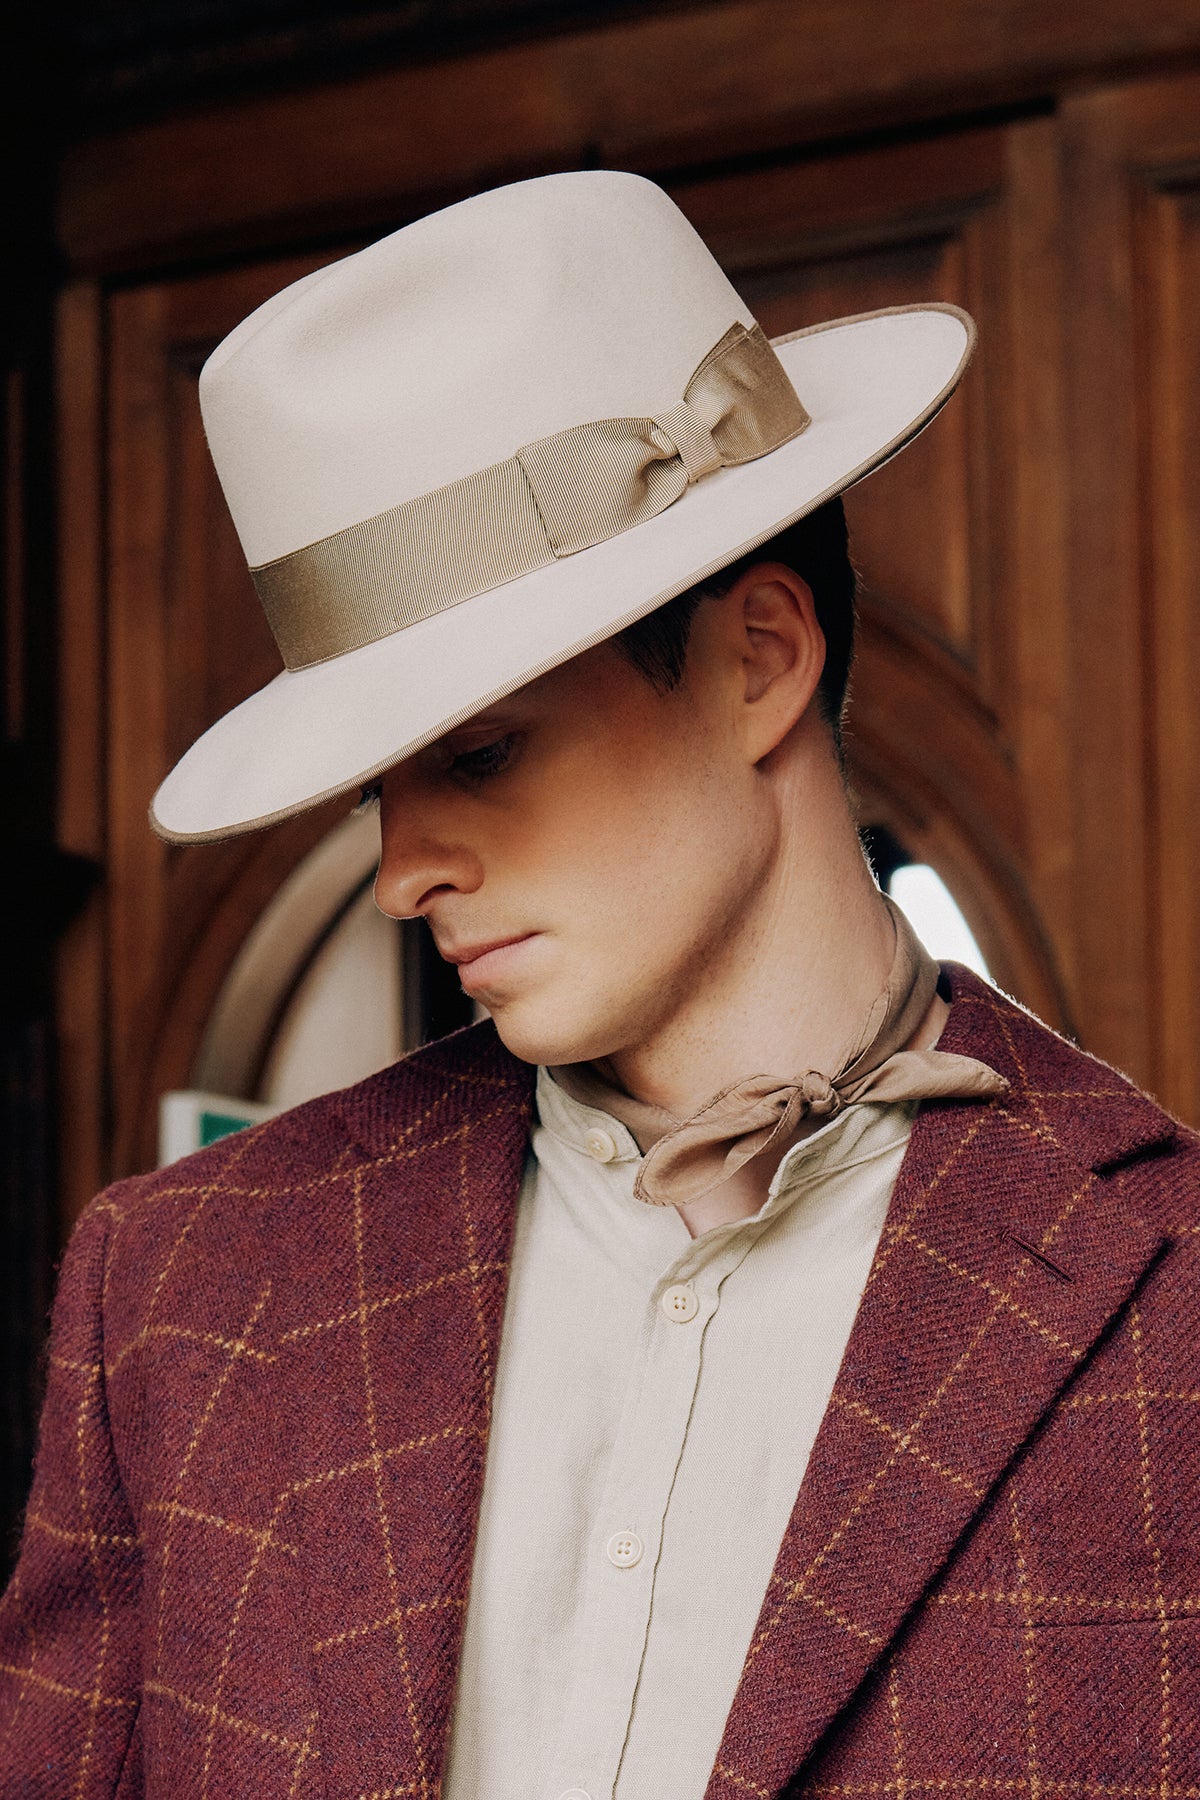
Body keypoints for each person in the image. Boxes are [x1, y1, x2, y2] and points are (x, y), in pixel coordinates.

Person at [0, 170, 1196, 1800]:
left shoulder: (1174, 1311)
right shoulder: (179, 1291)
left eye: (480, 753)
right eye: (375, 786)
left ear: (759, 660)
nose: (401, 867)